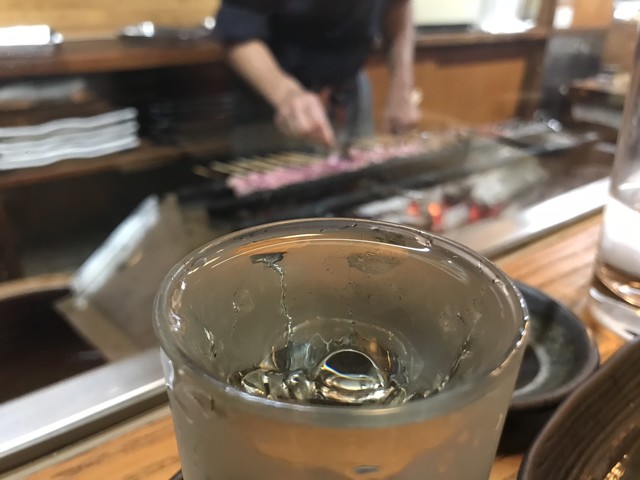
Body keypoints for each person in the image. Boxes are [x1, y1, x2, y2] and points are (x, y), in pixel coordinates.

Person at [214, 0, 420, 155]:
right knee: (279, 197)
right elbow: (238, 30)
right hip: (272, 101)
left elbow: (398, 6)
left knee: (362, 187)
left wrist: (401, 87)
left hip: (350, 91)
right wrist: (286, 94)